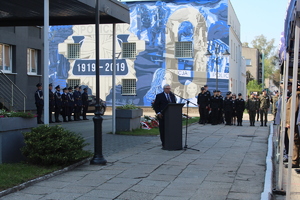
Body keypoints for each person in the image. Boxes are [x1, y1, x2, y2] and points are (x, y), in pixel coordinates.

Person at [153, 84, 176, 148]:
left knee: (171, 129)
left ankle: (171, 142)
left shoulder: (172, 95)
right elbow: (156, 105)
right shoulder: (159, 96)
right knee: (163, 129)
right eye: (167, 88)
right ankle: (164, 143)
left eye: (169, 88)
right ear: (164, 89)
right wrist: (158, 112)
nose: (169, 90)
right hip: (162, 115)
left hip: (171, 115)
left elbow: (174, 104)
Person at [286, 86, 300, 168]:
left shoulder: (296, 96)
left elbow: (294, 110)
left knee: (294, 141)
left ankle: (295, 161)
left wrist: (289, 122)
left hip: (293, 123)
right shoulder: (293, 95)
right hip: (291, 122)